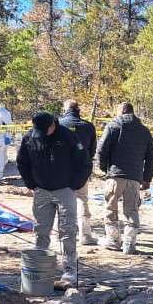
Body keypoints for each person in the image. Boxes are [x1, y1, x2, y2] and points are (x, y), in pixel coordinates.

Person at [17, 111, 92, 288]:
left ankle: (69, 270)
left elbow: (85, 163)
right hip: (41, 190)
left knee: (68, 231)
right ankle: (39, 269)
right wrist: (31, 183)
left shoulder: (68, 136)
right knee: (41, 230)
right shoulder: (30, 137)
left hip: (65, 190)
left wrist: (74, 185)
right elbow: (22, 161)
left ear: (53, 125)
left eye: (45, 130)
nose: (42, 134)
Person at [96, 102, 153, 254]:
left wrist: (104, 168)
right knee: (132, 211)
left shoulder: (113, 126)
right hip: (135, 178)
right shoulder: (144, 131)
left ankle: (113, 241)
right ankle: (129, 244)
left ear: (120, 111)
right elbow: (150, 157)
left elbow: (102, 149)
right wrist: (146, 178)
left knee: (110, 209)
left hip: (115, 175)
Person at [58, 99, 98, 246]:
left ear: (65, 110)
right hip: (81, 170)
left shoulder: (58, 125)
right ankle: (85, 235)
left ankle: (64, 233)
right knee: (82, 200)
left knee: (62, 201)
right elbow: (93, 150)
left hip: (61, 170)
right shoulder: (88, 126)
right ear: (78, 110)